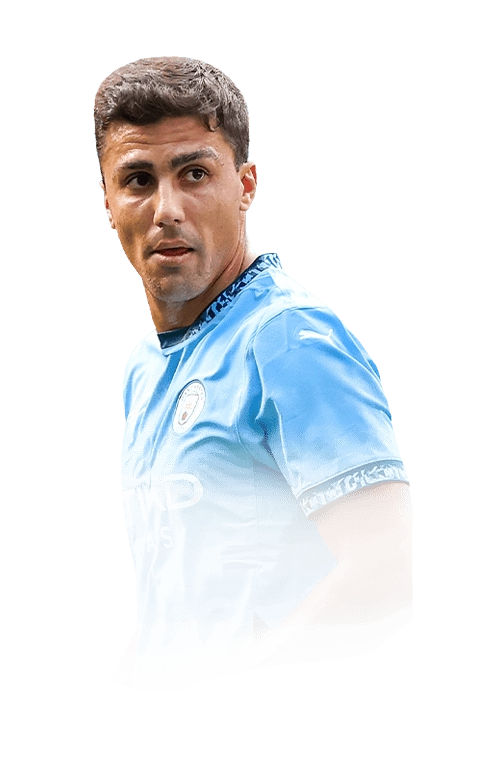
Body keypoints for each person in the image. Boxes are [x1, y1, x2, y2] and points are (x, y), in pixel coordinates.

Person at [93, 56, 413, 692]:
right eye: (138, 180)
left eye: (194, 173)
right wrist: (136, 679)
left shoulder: (286, 340)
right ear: (109, 203)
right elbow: (191, 594)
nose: (167, 209)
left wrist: (209, 698)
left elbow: (384, 579)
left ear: (245, 185)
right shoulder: (149, 368)